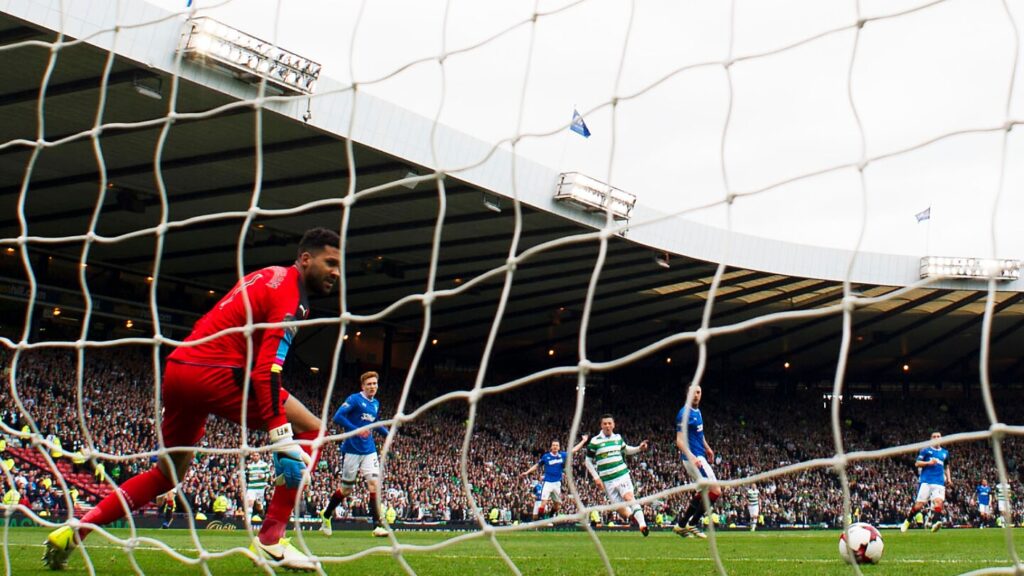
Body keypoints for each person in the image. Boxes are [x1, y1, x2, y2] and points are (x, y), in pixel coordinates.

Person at [43, 228, 341, 572]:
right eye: (330, 262)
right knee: (313, 428)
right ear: (306, 259)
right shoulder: (291, 295)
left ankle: (75, 530)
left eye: (339, 265)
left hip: (180, 370)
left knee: (167, 476)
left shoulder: (266, 275)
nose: (336, 272)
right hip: (217, 372)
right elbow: (266, 371)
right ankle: (271, 539)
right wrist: (280, 437)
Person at [319, 371, 390, 538]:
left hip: (369, 450)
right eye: (369, 384)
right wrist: (356, 430)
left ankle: (377, 525)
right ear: (363, 386)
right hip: (351, 450)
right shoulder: (354, 399)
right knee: (346, 490)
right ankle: (327, 514)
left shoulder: (375, 403)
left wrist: (387, 433)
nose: (372, 386)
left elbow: (374, 422)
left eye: (375, 383)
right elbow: (338, 417)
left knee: (374, 484)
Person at [583, 414, 650, 537]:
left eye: (610, 423)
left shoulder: (618, 438)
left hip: (621, 475)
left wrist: (639, 448)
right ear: (601, 425)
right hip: (607, 481)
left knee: (629, 497)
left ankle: (642, 524)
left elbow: (626, 450)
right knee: (620, 508)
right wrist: (596, 477)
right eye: (605, 424)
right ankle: (633, 518)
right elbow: (587, 461)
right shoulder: (595, 441)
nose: (607, 426)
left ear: (613, 425)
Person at [673, 384, 721, 539]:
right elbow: (679, 441)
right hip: (693, 458)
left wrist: (707, 448)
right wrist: (692, 456)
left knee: (703, 492)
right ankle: (692, 523)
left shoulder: (697, 412)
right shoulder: (683, 414)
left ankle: (681, 525)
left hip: (700, 456)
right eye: (693, 392)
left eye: (699, 392)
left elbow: (700, 434)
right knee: (715, 491)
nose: (696, 395)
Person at [520, 437, 589, 519]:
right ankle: (541, 520)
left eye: (557, 445)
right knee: (543, 503)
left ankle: (550, 515)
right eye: (553, 445)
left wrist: (584, 441)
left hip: (557, 483)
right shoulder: (546, 457)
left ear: (559, 447)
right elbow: (537, 465)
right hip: (548, 482)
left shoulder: (562, 455)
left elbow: (574, 450)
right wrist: (527, 472)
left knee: (557, 506)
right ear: (551, 447)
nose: (555, 447)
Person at [900, 431, 950, 533]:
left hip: (939, 482)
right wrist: (929, 463)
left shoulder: (945, 453)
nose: (936, 438)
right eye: (934, 436)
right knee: (919, 505)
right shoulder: (925, 451)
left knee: (939, 501)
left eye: (938, 436)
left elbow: (947, 466)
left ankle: (935, 522)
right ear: (931, 439)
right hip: (926, 481)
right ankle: (908, 520)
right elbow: (917, 463)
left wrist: (949, 478)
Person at [244, 453, 270, 524]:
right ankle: (248, 523)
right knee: (250, 503)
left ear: (259, 456)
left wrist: (264, 476)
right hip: (251, 487)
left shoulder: (264, 464)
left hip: (260, 488)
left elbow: (269, 474)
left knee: (259, 506)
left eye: (257, 455)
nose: (255, 457)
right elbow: (246, 475)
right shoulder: (249, 465)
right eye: (254, 455)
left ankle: (263, 518)